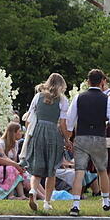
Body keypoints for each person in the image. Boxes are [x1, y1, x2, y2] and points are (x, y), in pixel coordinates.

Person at [67, 69, 110, 215]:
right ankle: (105, 201)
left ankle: (76, 205)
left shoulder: (79, 97)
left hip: (82, 136)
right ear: (102, 81)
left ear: (87, 81)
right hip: (99, 137)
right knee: (102, 170)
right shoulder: (107, 99)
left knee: (79, 172)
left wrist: (70, 135)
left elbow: (70, 119)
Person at [20, 74, 69, 212]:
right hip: (53, 132)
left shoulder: (38, 96)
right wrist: (67, 139)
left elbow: (29, 118)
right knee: (51, 170)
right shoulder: (62, 100)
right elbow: (63, 123)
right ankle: (47, 202)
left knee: (36, 168)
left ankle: (33, 191)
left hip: (38, 132)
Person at [1, 121, 28, 199]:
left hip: (11, 166)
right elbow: (1, 159)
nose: (21, 133)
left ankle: (22, 195)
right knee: (12, 169)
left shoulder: (15, 143)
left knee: (18, 170)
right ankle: (11, 195)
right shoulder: (2, 143)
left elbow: (15, 160)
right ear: (13, 133)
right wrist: (15, 166)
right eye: (19, 131)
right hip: (1, 166)